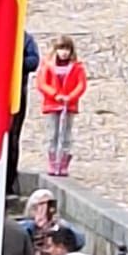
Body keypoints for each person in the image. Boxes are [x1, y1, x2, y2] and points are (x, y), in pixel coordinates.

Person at [36, 35, 88, 178]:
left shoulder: (77, 67)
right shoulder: (48, 66)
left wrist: (70, 97)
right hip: (53, 104)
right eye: (61, 49)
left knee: (65, 134)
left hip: (68, 105)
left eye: (67, 49)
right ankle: (53, 162)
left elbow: (81, 85)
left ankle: (63, 162)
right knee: (53, 133)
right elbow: (42, 83)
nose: (64, 53)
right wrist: (55, 94)